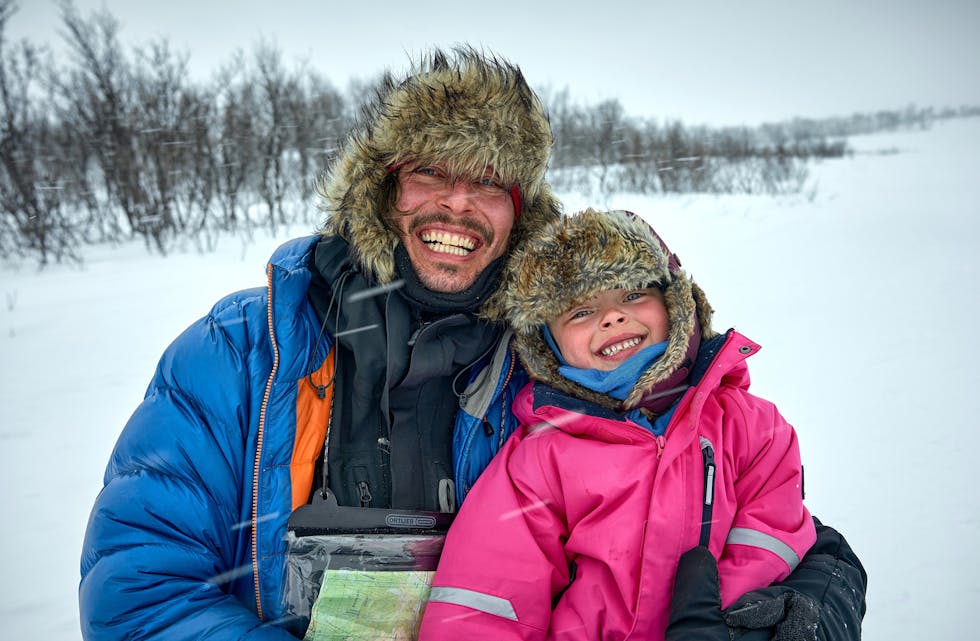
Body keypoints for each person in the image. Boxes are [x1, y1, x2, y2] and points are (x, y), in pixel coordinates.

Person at [79, 48, 865, 641]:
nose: (458, 204)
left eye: (488, 182)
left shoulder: (560, 356)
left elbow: (695, 484)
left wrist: (817, 590)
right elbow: (138, 591)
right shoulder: (246, 351)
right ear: (384, 188)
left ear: (518, 212)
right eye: (430, 173)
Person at [419, 209, 861, 640]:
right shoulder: (537, 460)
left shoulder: (749, 426)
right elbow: (485, 602)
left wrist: (730, 621)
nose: (612, 318)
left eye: (632, 295)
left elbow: (771, 541)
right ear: (547, 344)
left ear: (675, 304)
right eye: (580, 312)